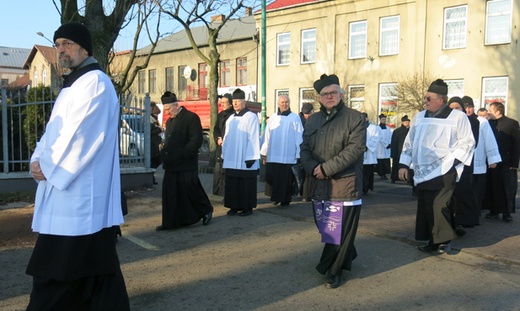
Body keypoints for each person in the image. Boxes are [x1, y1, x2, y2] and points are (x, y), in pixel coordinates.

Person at [26, 22, 129, 310]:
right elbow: (52, 133)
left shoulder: (95, 83)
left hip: (80, 197)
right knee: (96, 275)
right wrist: (37, 159)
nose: (61, 50)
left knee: (59, 273)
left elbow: (80, 135)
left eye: (67, 44)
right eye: (58, 44)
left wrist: (48, 165)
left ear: (85, 49)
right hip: (64, 191)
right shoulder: (72, 86)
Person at [300, 74, 366, 289]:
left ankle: (333, 270)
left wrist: (326, 169)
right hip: (319, 184)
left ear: (341, 94)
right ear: (319, 98)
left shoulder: (355, 118)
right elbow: (304, 148)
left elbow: (354, 150)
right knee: (326, 228)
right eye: (325, 94)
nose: (329, 97)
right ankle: (348, 251)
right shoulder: (313, 120)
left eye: (333, 93)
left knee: (336, 229)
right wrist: (312, 168)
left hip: (344, 184)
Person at [399, 79, 475, 255]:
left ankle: (444, 241)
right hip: (422, 171)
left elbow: (468, 141)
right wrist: (403, 164)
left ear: (440, 100)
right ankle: (432, 241)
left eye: (428, 98)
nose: (424, 101)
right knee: (426, 206)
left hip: (445, 170)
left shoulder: (458, 117)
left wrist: (453, 162)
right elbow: (409, 142)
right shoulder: (419, 117)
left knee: (440, 205)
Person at [156, 91, 213, 230]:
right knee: (170, 194)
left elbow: (196, 140)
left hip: (186, 163)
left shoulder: (191, 118)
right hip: (171, 164)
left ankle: (206, 210)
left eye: (169, 109)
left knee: (191, 189)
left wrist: (184, 154)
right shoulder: (170, 121)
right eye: (166, 110)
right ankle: (170, 222)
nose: (167, 113)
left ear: (176, 105)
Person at [222, 88, 260, 216]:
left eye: (238, 101)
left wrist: (251, 156)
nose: (235, 103)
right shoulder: (230, 118)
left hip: (245, 158)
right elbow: (226, 137)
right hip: (232, 158)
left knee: (245, 183)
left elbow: (254, 137)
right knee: (232, 182)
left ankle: (247, 207)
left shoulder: (251, 117)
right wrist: (224, 154)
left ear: (244, 102)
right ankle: (234, 206)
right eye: (234, 101)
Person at [260, 95, 303, 207]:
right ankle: (276, 197)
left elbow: (299, 136)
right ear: (278, 104)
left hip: (288, 155)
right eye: (282, 102)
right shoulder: (273, 118)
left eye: (287, 102)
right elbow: (267, 136)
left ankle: (285, 199)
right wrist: (264, 153)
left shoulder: (295, 118)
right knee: (274, 177)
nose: (285, 104)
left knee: (286, 179)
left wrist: (299, 153)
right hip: (274, 154)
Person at [447, 97, 479, 235]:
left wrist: (459, 155)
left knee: (462, 192)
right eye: (452, 108)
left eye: (458, 108)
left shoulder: (472, 121)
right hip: (447, 163)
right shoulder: (445, 122)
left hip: (464, 162)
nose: (455, 111)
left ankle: (461, 222)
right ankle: (449, 221)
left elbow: (472, 142)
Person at [486, 101, 520, 222]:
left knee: (507, 188)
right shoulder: (489, 124)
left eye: (490, 110)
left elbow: (516, 144)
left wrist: (514, 164)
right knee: (493, 187)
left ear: (498, 111)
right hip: (493, 162)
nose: (488, 113)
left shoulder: (512, 123)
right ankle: (494, 210)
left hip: (507, 162)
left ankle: (507, 212)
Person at [212, 93, 234, 196]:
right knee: (219, 171)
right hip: (220, 147)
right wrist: (217, 138)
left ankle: (227, 194)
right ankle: (220, 192)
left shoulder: (234, 115)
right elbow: (216, 129)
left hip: (230, 148)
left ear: (230, 103)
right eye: (221, 103)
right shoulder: (221, 115)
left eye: (224, 103)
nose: (222, 105)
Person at [362, 113, 379, 194]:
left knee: (368, 172)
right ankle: (361, 186)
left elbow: (375, 138)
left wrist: (367, 146)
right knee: (361, 172)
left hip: (369, 154)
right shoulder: (357, 127)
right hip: (360, 153)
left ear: (366, 118)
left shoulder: (373, 127)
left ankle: (368, 186)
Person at [390, 115, 410, 183]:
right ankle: (394, 178)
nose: (407, 123)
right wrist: (393, 153)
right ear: (403, 123)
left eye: (408, 122)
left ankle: (407, 178)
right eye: (406, 122)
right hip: (398, 151)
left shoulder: (410, 131)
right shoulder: (397, 131)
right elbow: (394, 142)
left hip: (406, 151)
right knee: (396, 165)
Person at [150, 101, 163, 185]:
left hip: (155, 143)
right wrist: (159, 129)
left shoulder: (153, 120)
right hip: (152, 144)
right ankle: (151, 178)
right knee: (154, 161)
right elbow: (150, 132)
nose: (157, 116)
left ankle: (152, 177)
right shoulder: (149, 120)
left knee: (156, 160)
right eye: (156, 114)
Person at [376, 114, 392, 180]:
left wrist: (390, 144)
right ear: (380, 120)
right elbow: (379, 138)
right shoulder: (377, 128)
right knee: (381, 161)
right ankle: (381, 174)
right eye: (382, 119)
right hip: (381, 147)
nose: (384, 120)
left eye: (385, 119)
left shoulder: (388, 128)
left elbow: (390, 136)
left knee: (386, 161)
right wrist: (385, 144)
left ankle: (385, 173)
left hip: (387, 147)